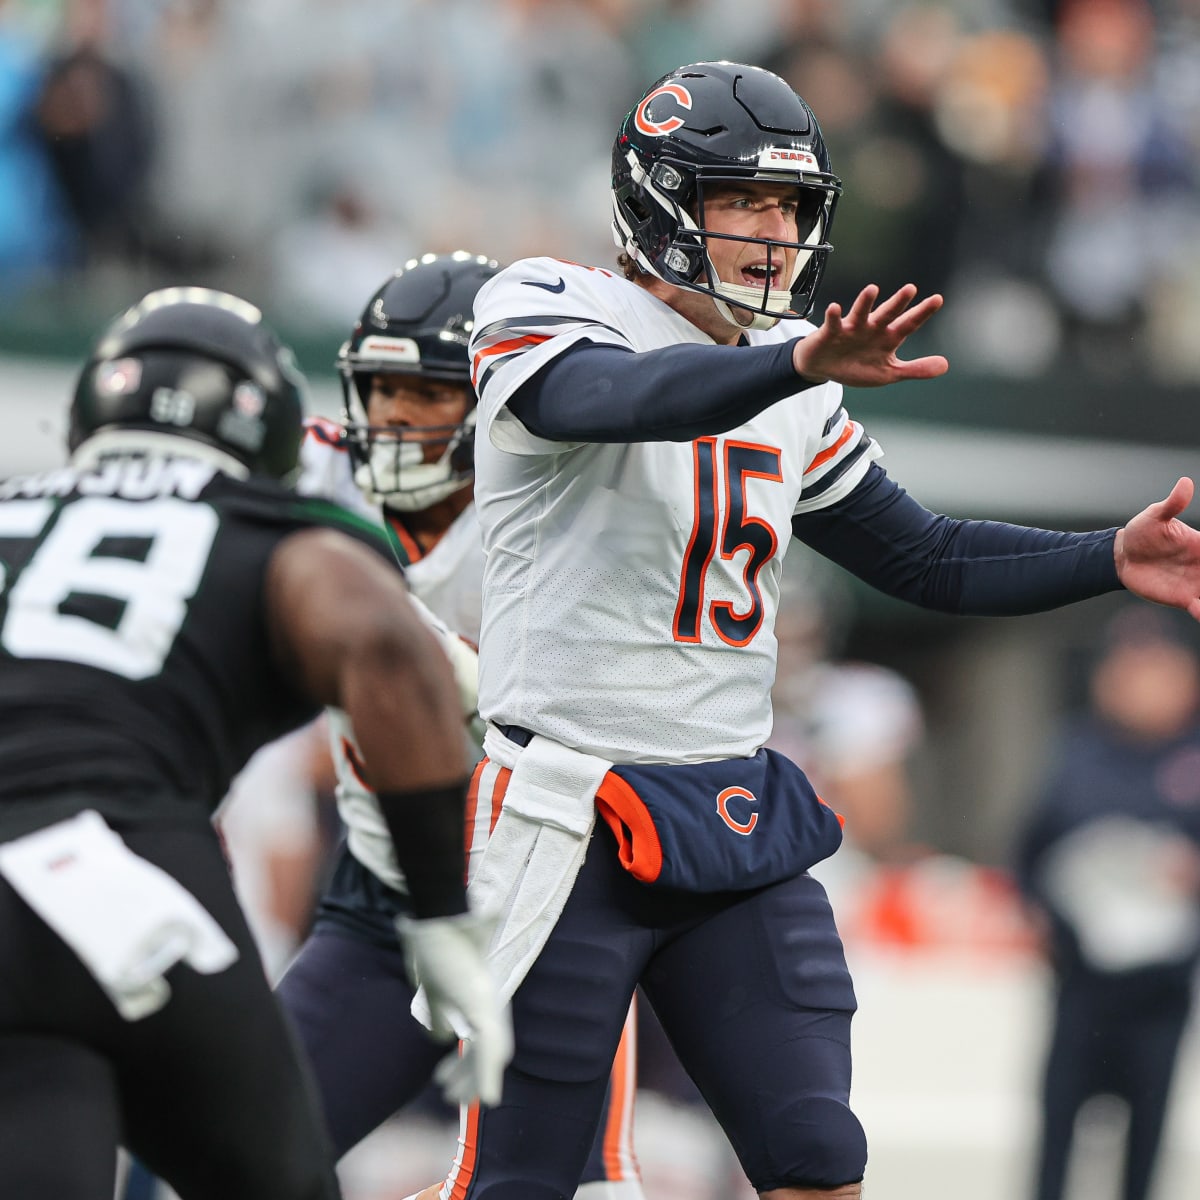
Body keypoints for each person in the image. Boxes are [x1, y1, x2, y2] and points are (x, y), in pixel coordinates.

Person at [406, 60, 1200, 1200]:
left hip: (731, 807)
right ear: (659, 202)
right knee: (525, 1178)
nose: (775, 233)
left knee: (819, 1161)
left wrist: (1105, 560)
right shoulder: (546, 303)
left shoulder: (791, 379)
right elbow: (607, 401)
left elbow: (921, 554)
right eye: (744, 201)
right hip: (563, 809)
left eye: (790, 207)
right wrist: (788, 363)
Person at [0, 286, 510, 1200]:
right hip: (111, 864)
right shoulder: (270, 528)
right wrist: (439, 912)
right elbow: (384, 650)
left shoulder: (13, 506)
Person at [277, 252, 644, 1197]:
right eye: (381, 387)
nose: (394, 415)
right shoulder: (315, 472)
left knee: (577, 1188)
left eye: (425, 392)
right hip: (384, 903)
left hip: (543, 907)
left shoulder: (573, 506)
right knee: (239, 1155)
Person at [1015, 603, 1200, 1200]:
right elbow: (1029, 851)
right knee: (1057, 1138)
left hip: (1162, 989)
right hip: (1082, 982)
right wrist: (1039, 913)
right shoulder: (1077, 749)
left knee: (1145, 1143)